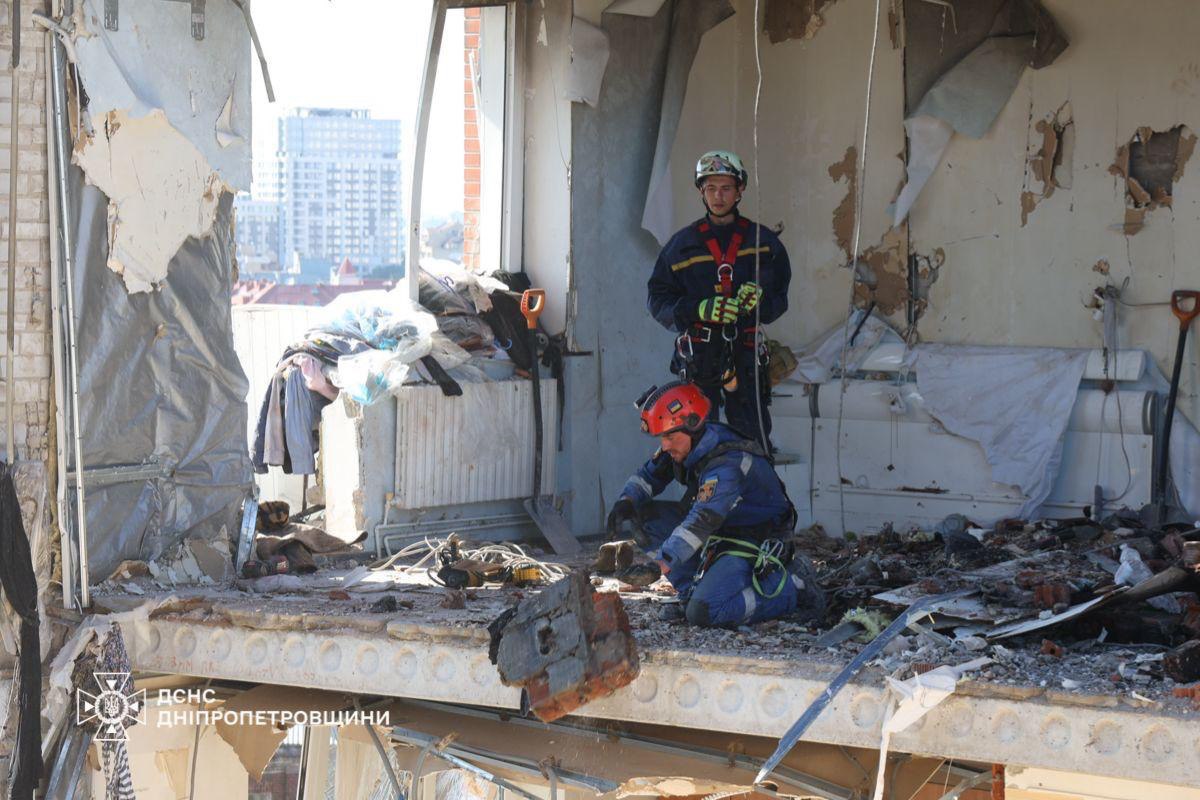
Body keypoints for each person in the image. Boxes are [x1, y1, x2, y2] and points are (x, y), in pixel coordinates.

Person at [605, 381, 825, 628]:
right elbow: (648, 476)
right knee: (643, 517)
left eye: (669, 436)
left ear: (692, 425)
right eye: (661, 437)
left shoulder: (727, 463)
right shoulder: (688, 443)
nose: (664, 445)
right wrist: (626, 501)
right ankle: (691, 592)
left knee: (705, 613)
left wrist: (661, 564)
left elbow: (701, 522)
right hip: (721, 533)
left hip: (752, 541)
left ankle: (793, 586)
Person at [647, 150, 791, 448]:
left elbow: (779, 300)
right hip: (700, 356)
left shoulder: (763, 243)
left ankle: (756, 491)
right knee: (698, 439)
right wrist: (697, 308)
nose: (718, 196)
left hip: (746, 353)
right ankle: (704, 494)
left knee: (754, 440)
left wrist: (760, 302)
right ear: (701, 191)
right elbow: (658, 300)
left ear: (740, 191)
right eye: (710, 188)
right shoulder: (681, 246)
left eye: (726, 188)